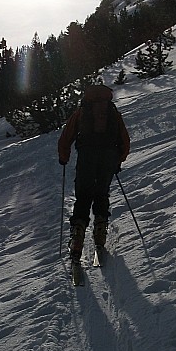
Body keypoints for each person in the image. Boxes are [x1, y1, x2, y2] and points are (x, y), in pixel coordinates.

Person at [58, 84, 130, 258]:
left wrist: (64, 157)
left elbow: (66, 136)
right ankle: (100, 234)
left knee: (83, 196)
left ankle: (77, 239)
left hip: (86, 157)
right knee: (101, 194)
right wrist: (118, 160)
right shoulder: (112, 112)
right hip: (108, 159)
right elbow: (124, 140)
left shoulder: (82, 111)